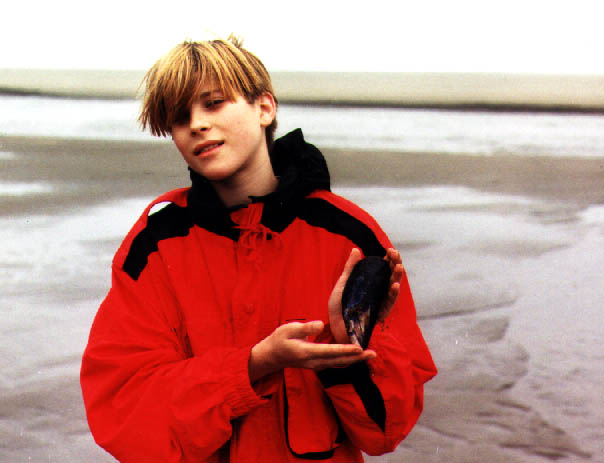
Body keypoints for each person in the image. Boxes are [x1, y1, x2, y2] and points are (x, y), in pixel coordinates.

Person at [80, 36, 437, 463]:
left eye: (214, 103)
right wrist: (252, 366)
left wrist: (350, 348)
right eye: (179, 117)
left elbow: (385, 432)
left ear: (264, 108)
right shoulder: (155, 245)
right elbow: (123, 414)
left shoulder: (349, 236)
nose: (196, 124)